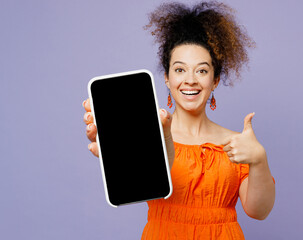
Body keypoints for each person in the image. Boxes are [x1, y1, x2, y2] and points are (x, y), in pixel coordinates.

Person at [82, 1, 275, 239]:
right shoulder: (148, 134)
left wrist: (259, 159)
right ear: (166, 77)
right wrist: (119, 153)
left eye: (202, 70)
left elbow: (258, 211)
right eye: (180, 69)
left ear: (215, 80)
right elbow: (134, 187)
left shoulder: (237, 144)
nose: (190, 80)